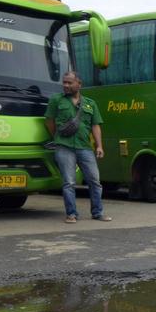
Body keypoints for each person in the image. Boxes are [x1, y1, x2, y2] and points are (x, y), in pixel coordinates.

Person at [45, 71, 111, 223]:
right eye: (64, 82)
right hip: (64, 147)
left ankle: (98, 212)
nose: (65, 85)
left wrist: (99, 146)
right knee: (69, 182)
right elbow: (49, 121)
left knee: (95, 181)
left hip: (84, 147)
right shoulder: (56, 100)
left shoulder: (90, 103)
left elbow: (95, 126)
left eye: (69, 82)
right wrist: (57, 137)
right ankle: (71, 214)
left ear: (79, 84)